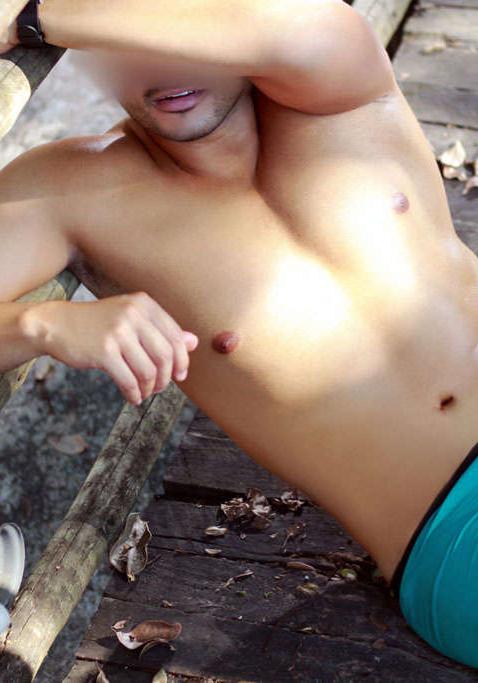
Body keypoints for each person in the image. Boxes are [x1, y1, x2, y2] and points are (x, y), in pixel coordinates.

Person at [1, 0, 478, 668]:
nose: (161, 64)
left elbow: (297, 30)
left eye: (171, 19)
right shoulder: (69, 193)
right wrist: (44, 323)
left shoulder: (340, 89)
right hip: (452, 542)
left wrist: (29, 13)